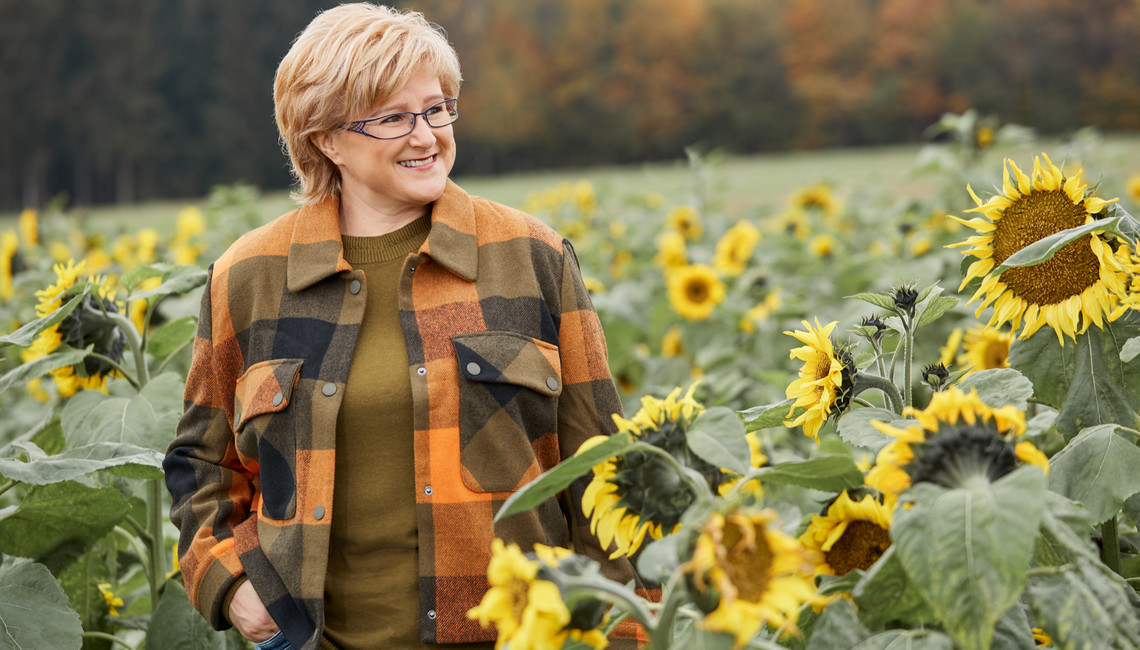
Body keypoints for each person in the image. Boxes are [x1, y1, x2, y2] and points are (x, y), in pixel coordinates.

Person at [163, 4, 646, 649]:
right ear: (325, 138)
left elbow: (600, 470)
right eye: (392, 118)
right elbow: (201, 464)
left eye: (437, 107)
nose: (426, 135)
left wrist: (630, 634)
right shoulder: (248, 277)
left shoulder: (531, 258)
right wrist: (230, 584)